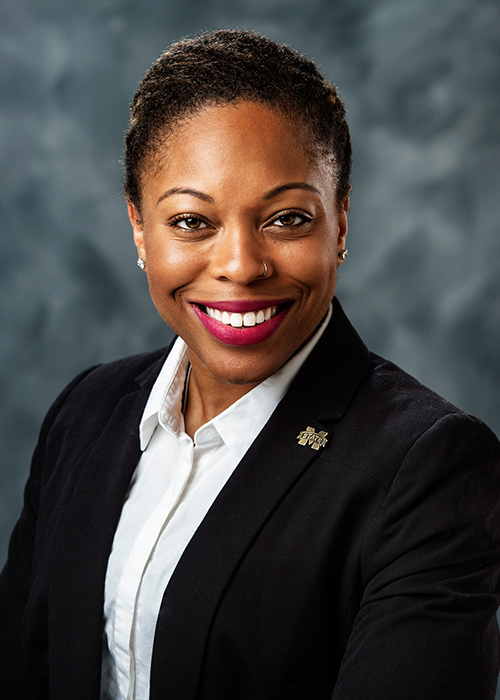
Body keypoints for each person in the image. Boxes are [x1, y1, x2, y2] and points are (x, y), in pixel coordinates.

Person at [1, 29, 499, 700]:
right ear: (139, 230)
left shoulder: (430, 469)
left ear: (342, 223)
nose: (240, 265)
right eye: (191, 222)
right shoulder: (85, 413)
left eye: (287, 218)